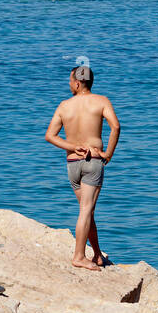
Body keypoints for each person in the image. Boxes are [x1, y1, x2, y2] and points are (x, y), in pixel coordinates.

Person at [44, 64, 119, 271]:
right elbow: (116, 126)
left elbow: (50, 135)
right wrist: (108, 154)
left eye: (70, 81)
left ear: (77, 83)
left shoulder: (64, 106)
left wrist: (72, 147)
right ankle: (79, 256)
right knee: (86, 210)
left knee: (87, 211)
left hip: (72, 165)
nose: (69, 85)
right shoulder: (101, 101)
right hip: (92, 162)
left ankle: (95, 254)